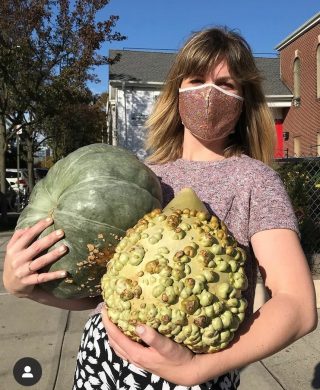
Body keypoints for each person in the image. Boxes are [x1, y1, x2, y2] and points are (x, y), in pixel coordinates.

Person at [3, 27, 317, 390]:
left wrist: (199, 370)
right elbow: (103, 291)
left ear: (244, 99)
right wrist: (26, 288)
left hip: (190, 378)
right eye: (196, 80)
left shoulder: (254, 181)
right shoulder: (142, 175)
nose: (209, 94)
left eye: (226, 84)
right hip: (101, 362)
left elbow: (297, 306)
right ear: (177, 93)